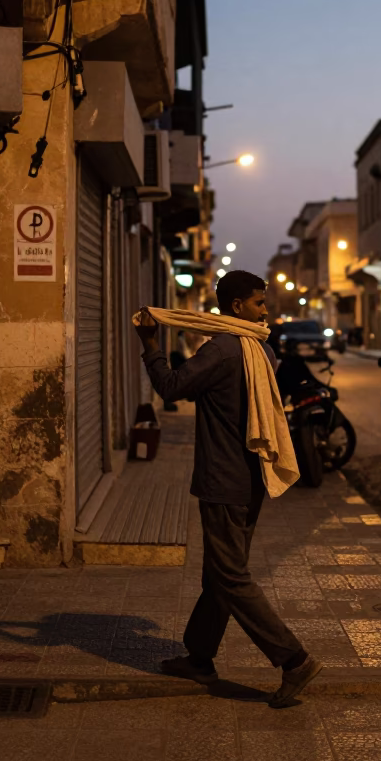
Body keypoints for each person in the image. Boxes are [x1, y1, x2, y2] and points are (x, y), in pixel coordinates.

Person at [135, 269, 323, 708]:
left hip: (224, 483)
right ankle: (200, 658)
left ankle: (293, 660)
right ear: (237, 307)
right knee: (218, 575)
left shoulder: (222, 350)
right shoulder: (260, 351)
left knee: (231, 577)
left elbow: (170, 387)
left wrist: (150, 345)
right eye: (259, 302)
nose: (265, 310)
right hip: (250, 480)